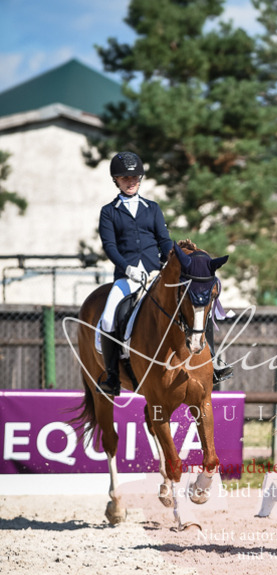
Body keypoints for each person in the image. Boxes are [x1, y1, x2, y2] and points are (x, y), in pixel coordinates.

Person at [96, 151, 174, 396]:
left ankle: (213, 363)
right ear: (116, 180)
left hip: (155, 274)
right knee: (108, 318)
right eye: (124, 178)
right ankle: (112, 377)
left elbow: (164, 240)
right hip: (127, 277)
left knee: (193, 302)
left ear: (140, 179)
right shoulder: (109, 211)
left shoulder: (152, 208)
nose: (130, 182)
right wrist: (127, 268)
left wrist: (171, 261)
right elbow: (109, 246)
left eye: (134, 178)